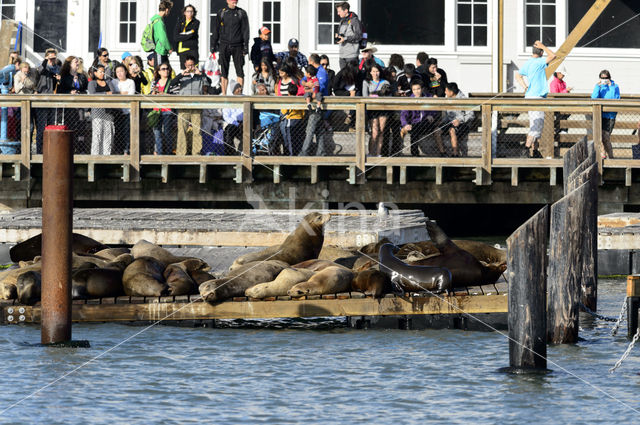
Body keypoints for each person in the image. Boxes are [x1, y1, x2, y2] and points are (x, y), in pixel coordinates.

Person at [515, 40, 556, 158]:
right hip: (537, 96)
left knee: (535, 122)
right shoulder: (539, 61)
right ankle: (526, 148)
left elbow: (518, 75)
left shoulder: (528, 62)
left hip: (529, 95)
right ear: (541, 52)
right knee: (538, 124)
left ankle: (535, 150)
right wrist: (544, 46)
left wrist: (524, 86)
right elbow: (553, 56)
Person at [170, 55, 210, 155]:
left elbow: (210, 83)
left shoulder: (200, 76)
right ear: (185, 65)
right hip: (183, 107)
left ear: (195, 65)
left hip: (197, 107)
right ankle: (181, 153)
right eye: (188, 65)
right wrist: (181, 74)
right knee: (182, 131)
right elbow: (171, 83)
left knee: (197, 131)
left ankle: (196, 153)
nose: (190, 67)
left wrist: (201, 74)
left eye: (192, 65)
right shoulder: (182, 76)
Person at [211, 0, 250, 95]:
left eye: (236, 0)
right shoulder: (222, 12)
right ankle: (224, 95)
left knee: (240, 71)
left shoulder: (241, 13)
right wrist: (213, 44)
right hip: (224, 45)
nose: (235, 1)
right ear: (227, 1)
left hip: (238, 45)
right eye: (233, 0)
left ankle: (239, 94)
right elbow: (215, 29)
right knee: (224, 71)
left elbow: (245, 31)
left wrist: (246, 46)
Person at [400, 80, 440, 157]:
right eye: (414, 89)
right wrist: (405, 124)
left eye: (418, 89)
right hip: (414, 124)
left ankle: (415, 153)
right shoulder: (409, 100)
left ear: (422, 89)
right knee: (414, 129)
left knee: (419, 127)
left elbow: (435, 109)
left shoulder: (428, 97)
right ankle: (414, 153)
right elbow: (403, 114)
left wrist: (431, 114)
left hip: (426, 123)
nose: (416, 91)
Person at [35, 48, 62, 154]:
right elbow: (41, 71)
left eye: (54, 57)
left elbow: (59, 81)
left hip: (53, 99)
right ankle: (39, 151)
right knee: (41, 126)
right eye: (50, 57)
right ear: (46, 57)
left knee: (51, 125)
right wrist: (47, 60)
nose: (52, 59)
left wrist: (59, 79)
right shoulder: (42, 65)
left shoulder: (58, 68)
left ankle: (50, 150)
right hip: (42, 99)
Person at [87, 64, 117, 156]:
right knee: (97, 135)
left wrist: (107, 94)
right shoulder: (92, 83)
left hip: (108, 112)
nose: (102, 73)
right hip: (97, 112)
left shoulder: (108, 81)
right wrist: (105, 93)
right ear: (95, 73)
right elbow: (93, 94)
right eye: (100, 71)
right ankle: (95, 157)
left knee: (108, 135)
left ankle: (106, 156)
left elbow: (113, 93)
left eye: (103, 71)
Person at [362, 64, 390, 156]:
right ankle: (371, 152)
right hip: (372, 109)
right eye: (373, 71)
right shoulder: (366, 82)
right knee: (374, 132)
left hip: (383, 109)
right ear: (370, 72)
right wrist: (376, 95)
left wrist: (374, 95)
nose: (375, 73)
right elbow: (365, 96)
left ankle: (378, 153)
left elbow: (388, 95)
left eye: (377, 71)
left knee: (381, 131)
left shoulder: (385, 82)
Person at [591, 70, 620, 159]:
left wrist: (610, 87)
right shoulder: (600, 87)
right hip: (600, 115)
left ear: (609, 78)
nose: (604, 80)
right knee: (599, 136)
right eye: (602, 78)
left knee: (606, 137)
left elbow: (615, 98)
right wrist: (597, 86)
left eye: (606, 78)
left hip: (610, 116)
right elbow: (594, 98)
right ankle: (603, 153)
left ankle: (611, 156)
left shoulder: (615, 86)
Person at [150, 62, 177, 155]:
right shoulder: (154, 82)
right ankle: (159, 153)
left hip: (167, 110)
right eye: (163, 69)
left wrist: (162, 93)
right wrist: (154, 92)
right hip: (156, 110)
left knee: (167, 133)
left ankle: (168, 154)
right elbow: (150, 96)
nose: (166, 71)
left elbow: (175, 96)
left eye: (167, 69)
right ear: (159, 72)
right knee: (157, 133)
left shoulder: (172, 82)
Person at [443, 83, 474, 157]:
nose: (445, 92)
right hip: (450, 122)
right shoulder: (448, 100)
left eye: (446, 90)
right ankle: (442, 153)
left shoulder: (463, 100)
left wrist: (459, 120)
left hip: (463, 124)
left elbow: (471, 115)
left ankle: (455, 153)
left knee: (452, 130)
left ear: (451, 92)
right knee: (437, 130)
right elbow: (448, 115)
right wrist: (442, 121)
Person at [113, 64, 135, 155]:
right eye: (117, 72)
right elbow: (112, 94)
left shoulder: (130, 82)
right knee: (117, 131)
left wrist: (119, 93)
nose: (119, 73)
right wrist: (123, 93)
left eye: (121, 71)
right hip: (117, 111)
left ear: (125, 72)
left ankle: (126, 150)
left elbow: (131, 95)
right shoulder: (114, 82)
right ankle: (118, 151)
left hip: (128, 111)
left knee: (127, 131)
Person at [335, 1, 363, 69]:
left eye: (339, 11)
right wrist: (337, 36)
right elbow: (342, 35)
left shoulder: (355, 21)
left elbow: (359, 36)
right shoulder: (342, 21)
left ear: (346, 10)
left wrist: (345, 38)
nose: (338, 13)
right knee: (343, 77)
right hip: (342, 55)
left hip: (352, 56)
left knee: (352, 77)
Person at [280, 84, 304, 156]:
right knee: (298, 138)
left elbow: (284, 111)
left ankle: (291, 154)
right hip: (299, 120)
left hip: (290, 120)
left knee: (290, 139)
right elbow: (303, 111)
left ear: (288, 92)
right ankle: (297, 153)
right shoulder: (300, 99)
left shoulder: (288, 100)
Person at [175, 4, 199, 70]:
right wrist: (187, 34)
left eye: (191, 11)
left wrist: (182, 34)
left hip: (192, 49)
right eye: (188, 11)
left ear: (194, 13)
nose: (190, 13)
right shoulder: (180, 22)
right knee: (184, 71)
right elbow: (176, 37)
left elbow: (192, 34)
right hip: (181, 50)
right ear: (184, 12)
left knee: (194, 70)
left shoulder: (196, 22)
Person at [223, 80, 244, 155]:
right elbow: (226, 116)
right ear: (233, 90)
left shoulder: (245, 98)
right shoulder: (229, 100)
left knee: (246, 134)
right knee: (228, 133)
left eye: (240, 87)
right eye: (237, 88)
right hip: (233, 123)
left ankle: (241, 152)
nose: (240, 89)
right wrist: (236, 123)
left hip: (244, 122)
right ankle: (231, 153)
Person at [550, 65, 571, 136]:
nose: (564, 76)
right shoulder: (554, 83)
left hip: (563, 106)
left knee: (563, 120)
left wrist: (566, 92)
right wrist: (566, 91)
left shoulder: (562, 83)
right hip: (557, 106)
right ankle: (560, 133)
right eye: (563, 74)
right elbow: (555, 94)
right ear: (558, 73)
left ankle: (563, 132)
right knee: (559, 121)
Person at [150, 0, 173, 66]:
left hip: (160, 50)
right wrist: (169, 48)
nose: (169, 12)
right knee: (159, 70)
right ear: (167, 10)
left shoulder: (156, 20)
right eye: (169, 10)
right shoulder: (159, 22)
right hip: (160, 51)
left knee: (165, 70)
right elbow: (163, 38)